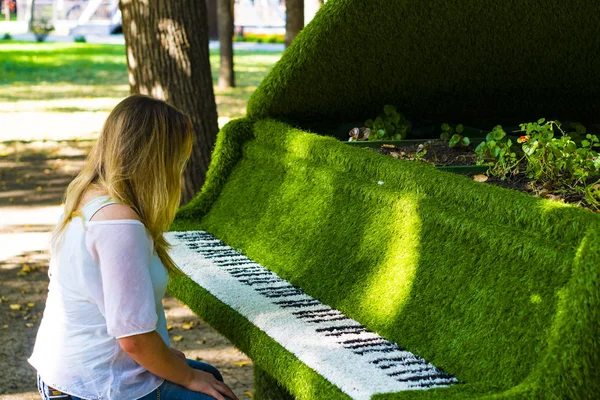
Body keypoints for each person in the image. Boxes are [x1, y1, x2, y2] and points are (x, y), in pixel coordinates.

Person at [28, 95, 239, 400]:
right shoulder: (119, 223)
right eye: (177, 159)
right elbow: (134, 339)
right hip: (93, 384)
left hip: (80, 368)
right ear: (156, 160)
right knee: (210, 394)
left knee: (211, 376)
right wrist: (185, 375)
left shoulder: (87, 196)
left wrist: (165, 356)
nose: (179, 171)